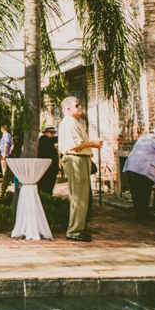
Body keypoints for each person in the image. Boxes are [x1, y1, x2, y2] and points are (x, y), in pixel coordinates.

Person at [58, 96, 103, 242]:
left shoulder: (74, 123)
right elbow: (74, 146)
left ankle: (78, 228)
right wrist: (93, 143)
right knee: (78, 196)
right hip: (75, 159)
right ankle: (74, 231)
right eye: (77, 105)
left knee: (82, 196)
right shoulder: (69, 123)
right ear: (68, 109)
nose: (80, 107)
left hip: (80, 159)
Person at [121, 133, 155, 221]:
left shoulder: (144, 137)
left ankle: (140, 214)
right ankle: (144, 215)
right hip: (142, 168)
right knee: (144, 191)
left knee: (136, 192)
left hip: (131, 165)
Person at [37, 126, 60, 195]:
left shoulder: (49, 142)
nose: (53, 134)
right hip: (46, 170)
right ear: (45, 133)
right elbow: (53, 140)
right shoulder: (43, 139)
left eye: (54, 133)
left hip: (51, 169)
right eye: (51, 132)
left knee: (49, 188)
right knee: (45, 187)